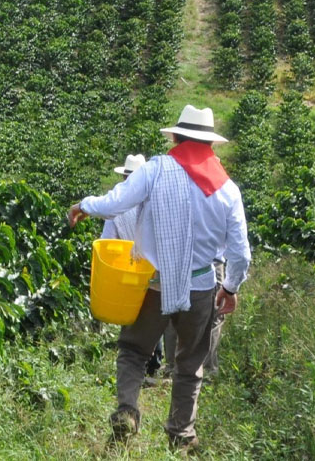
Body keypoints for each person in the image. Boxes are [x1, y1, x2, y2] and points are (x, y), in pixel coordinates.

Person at [67, 105, 251, 451]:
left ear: (177, 138)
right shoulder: (227, 190)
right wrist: (231, 287)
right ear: (209, 145)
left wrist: (84, 205)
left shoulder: (156, 170)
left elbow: (116, 202)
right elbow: (241, 253)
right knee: (189, 363)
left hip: (153, 284)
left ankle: (127, 412)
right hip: (200, 288)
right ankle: (181, 436)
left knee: (134, 350)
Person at [100, 154, 166, 372]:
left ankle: (133, 362)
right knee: (152, 312)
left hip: (126, 267)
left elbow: (107, 242)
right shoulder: (154, 202)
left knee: (131, 314)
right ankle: (154, 361)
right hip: (150, 268)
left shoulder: (116, 209)